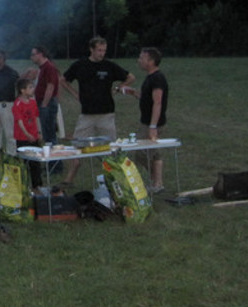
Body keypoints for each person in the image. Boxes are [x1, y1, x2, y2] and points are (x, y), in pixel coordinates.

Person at [60, 37, 134, 185]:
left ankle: (117, 179)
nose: (102, 53)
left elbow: (130, 77)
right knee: (77, 146)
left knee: (112, 148)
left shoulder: (109, 66)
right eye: (99, 50)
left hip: (106, 114)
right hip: (87, 114)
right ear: (91, 49)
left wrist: (118, 88)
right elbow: (63, 80)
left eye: (104, 51)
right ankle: (69, 179)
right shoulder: (80, 65)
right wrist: (75, 94)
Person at [134, 47, 169, 192]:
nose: (139, 60)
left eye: (142, 58)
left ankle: (155, 181)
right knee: (154, 153)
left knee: (141, 153)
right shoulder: (150, 77)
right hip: (147, 122)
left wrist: (153, 126)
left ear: (151, 61)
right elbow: (147, 98)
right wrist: (132, 93)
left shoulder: (157, 78)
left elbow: (157, 102)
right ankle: (157, 184)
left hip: (152, 124)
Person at [12, 78, 44, 185]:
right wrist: (27, 134)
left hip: (34, 136)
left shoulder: (33, 102)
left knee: (36, 163)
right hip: (23, 138)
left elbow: (36, 117)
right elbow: (19, 121)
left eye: (32, 87)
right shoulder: (17, 104)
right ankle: (24, 185)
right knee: (24, 163)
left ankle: (37, 185)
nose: (33, 89)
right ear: (22, 90)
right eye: (30, 87)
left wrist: (39, 132)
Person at [30, 46, 62, 146]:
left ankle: (54, 154)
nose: (31, 57)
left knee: (49, 132)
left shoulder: (49, 67)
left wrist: (44, 104)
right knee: (46, 132)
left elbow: (50, 86)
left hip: (47, 103)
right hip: (43, 103)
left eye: (33, 55)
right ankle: (50, 152)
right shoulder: (42, 68)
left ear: (40, 54)